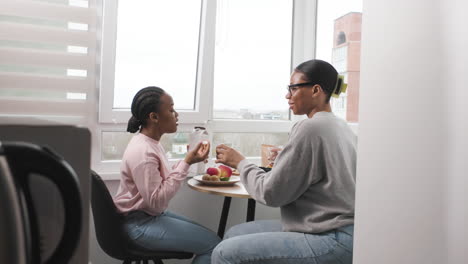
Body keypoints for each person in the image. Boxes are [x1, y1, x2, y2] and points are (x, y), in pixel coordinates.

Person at [212, 59, 357, 264]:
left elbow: (270, 194)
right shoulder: (340, 126)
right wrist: (285, 158)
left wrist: (240, 162)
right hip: (346, 233)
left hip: (329, 239)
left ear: (316, 90)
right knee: (235, 233)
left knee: (223, 253)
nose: (287, 95)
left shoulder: (309, 128)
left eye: (293, 88)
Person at [113, 86, 221, 264]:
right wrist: (186, 162)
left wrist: (189, 160)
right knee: (214, 247)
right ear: (154, 117)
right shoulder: (144, 152)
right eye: (171, 110)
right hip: (139, 224)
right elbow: (156, 202)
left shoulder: (149, 143)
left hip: (146, 216)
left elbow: (161, 180)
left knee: (213, 240)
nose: (176, 114)